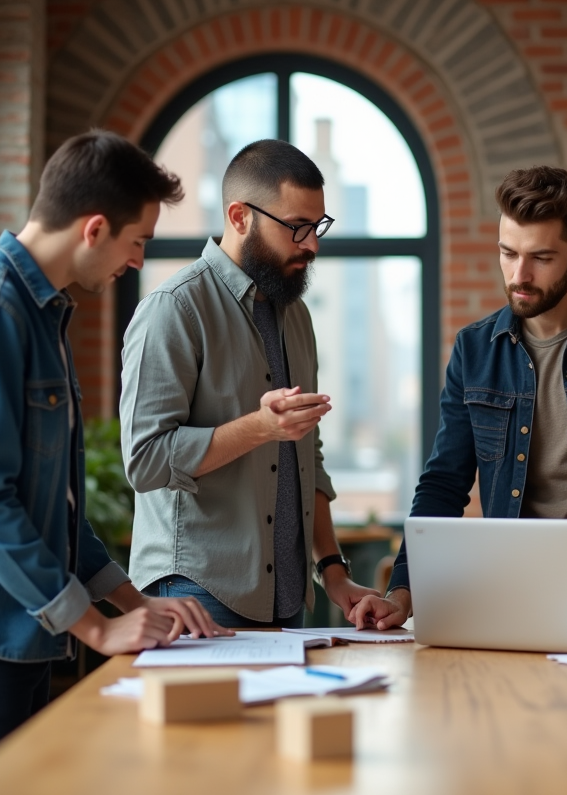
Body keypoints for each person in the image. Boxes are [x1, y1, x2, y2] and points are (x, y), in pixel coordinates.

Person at [0, 129, 227, 785]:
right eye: (137, 242)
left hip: (16, 626)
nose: (137, 261)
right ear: (94, 228)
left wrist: (133, 603)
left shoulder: (40, 314)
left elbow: (54, 507)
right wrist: (96, 630)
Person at [351, 166, 567, 631]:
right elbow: (444, 482)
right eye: (508, 253)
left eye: (541, 257)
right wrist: (403, 593)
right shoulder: (474, 349)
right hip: (518, 605)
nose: (519, 275)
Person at [120, 139, 378, 629]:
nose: (312, 245)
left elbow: (307, 458)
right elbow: (145, 461)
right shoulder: (173, 309)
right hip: (195, 594)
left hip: (287, 599)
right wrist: (259, 428)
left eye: (318, 226)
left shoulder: (296, 316)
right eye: (297, 227)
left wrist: (334, 572)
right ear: (239, 217)